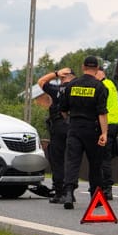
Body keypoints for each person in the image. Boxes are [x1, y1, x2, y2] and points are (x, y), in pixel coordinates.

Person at [59, 55, 109, 210]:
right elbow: (102, 113)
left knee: (72, 162)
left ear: (83, 67)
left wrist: (70, 120)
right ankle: (96, 197)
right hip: (92, 129)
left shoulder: (72, 85)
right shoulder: (100, 87)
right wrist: (104, 133)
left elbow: (63, 109)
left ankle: (68, 193)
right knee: (95, 164)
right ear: (97, 68)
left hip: (74, 128)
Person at [37, 66, 76, 203]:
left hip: (59, 128)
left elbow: (41, 81)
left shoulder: (57, 90)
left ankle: (60, 193)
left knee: (57, 160)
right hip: (75, 128)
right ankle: (70, 192)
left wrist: (55, 73)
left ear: (64, 76)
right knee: (72, 161)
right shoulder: (77, 89)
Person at [96, 65, 118, 200]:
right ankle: (104, 186)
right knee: (106, 157)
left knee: (103, 158)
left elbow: (100, 108)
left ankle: (106, 188)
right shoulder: (111, 84)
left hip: (106, 125)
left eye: (95, 74)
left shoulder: (103, 86)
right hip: (114, 124)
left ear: (101, 72)